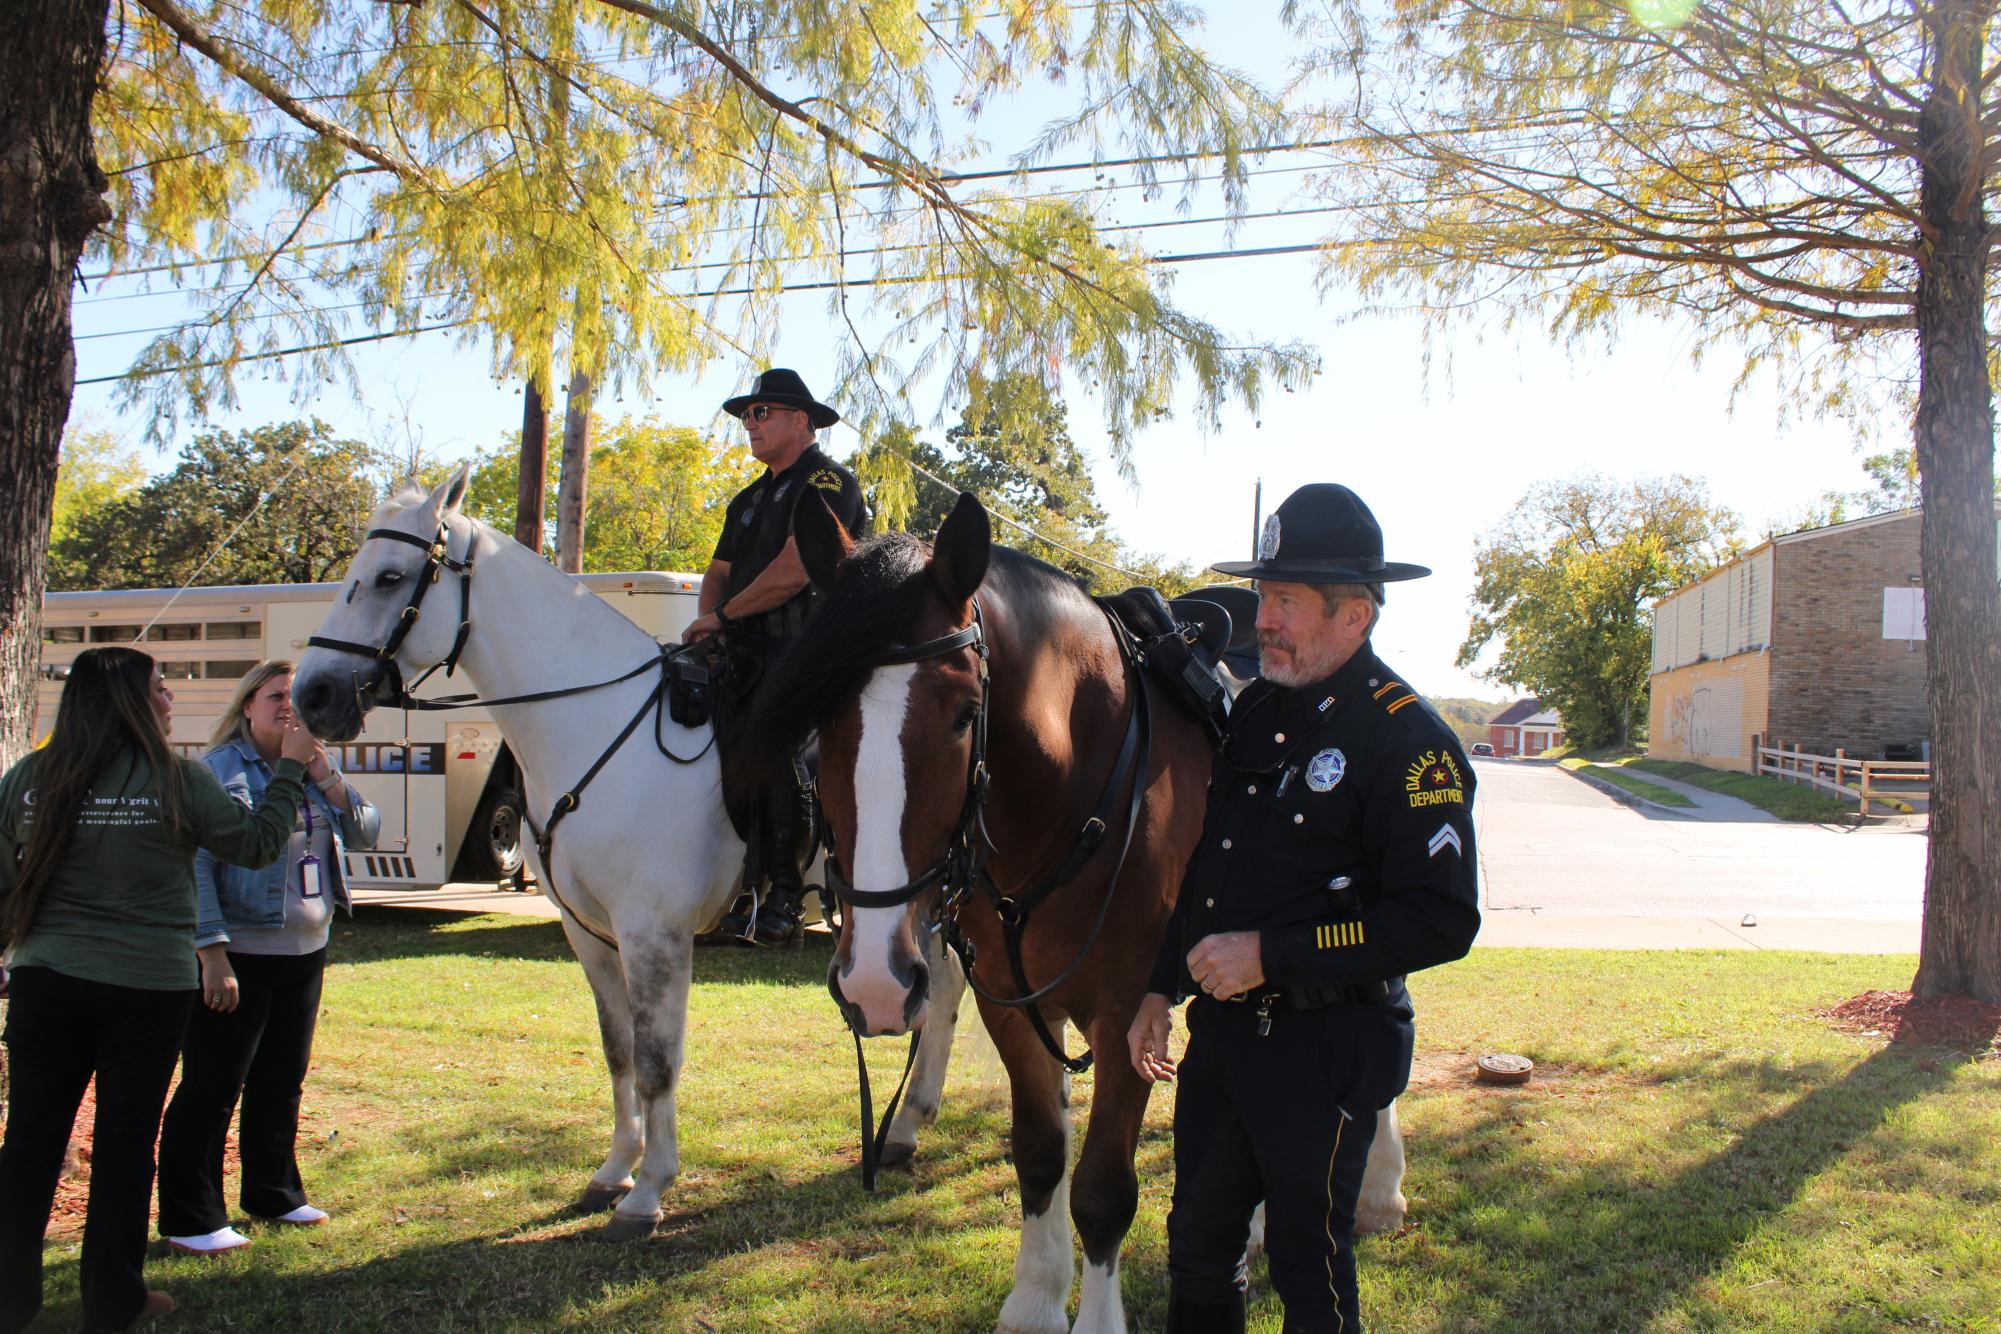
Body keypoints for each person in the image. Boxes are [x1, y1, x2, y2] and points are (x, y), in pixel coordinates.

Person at [1125, 483, 1482, 1333]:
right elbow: (1215, 869)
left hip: (1325, 1049)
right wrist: (1157, 987)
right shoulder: (1256, 713)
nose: (1263, 620)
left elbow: (1439, 920)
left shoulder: (1405, 740)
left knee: (1307, 1267)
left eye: (1283, 602)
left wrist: (1268, 954)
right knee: (1197, 1251)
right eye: (1262, 597)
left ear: (1353, 616)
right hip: (1224, 1046)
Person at [0, 647, 315, 1334]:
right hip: (144, 992)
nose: (171, 699)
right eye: (160, 688)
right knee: (122, 1146)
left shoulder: (28, 777)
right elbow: (259, 845)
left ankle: (9, 1301)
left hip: (45, 984)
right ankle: (113, 1301)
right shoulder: (178, 782)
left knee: (28, 1144)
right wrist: (291, 768)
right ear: (126, 702)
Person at [155, 661, 380, 1255]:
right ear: (247, 706)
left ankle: (274, 1192)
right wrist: (212, 953)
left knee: (281, 1080)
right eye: (276, 696)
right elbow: (196, 866)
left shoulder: (313, 770)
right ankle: (191, 1216)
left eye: (297, 699)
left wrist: (325, 771)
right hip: (241, 953)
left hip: (305, 949)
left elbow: (365, 833)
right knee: (213, 1083)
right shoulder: (218, 771)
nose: (289, 708)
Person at [685, 368, 867, 946]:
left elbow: (794, 570)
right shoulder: (748, 499)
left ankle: (787, 897)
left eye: (762, 413)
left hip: (806, 651)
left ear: (800, 420)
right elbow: (717, 574)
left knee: (774, 751)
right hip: (742, 652)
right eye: (747, 415)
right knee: (715, 757)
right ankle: (738, 892)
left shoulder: (832, 484)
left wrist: (721, 617)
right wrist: (707, 624)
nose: (751, 424)